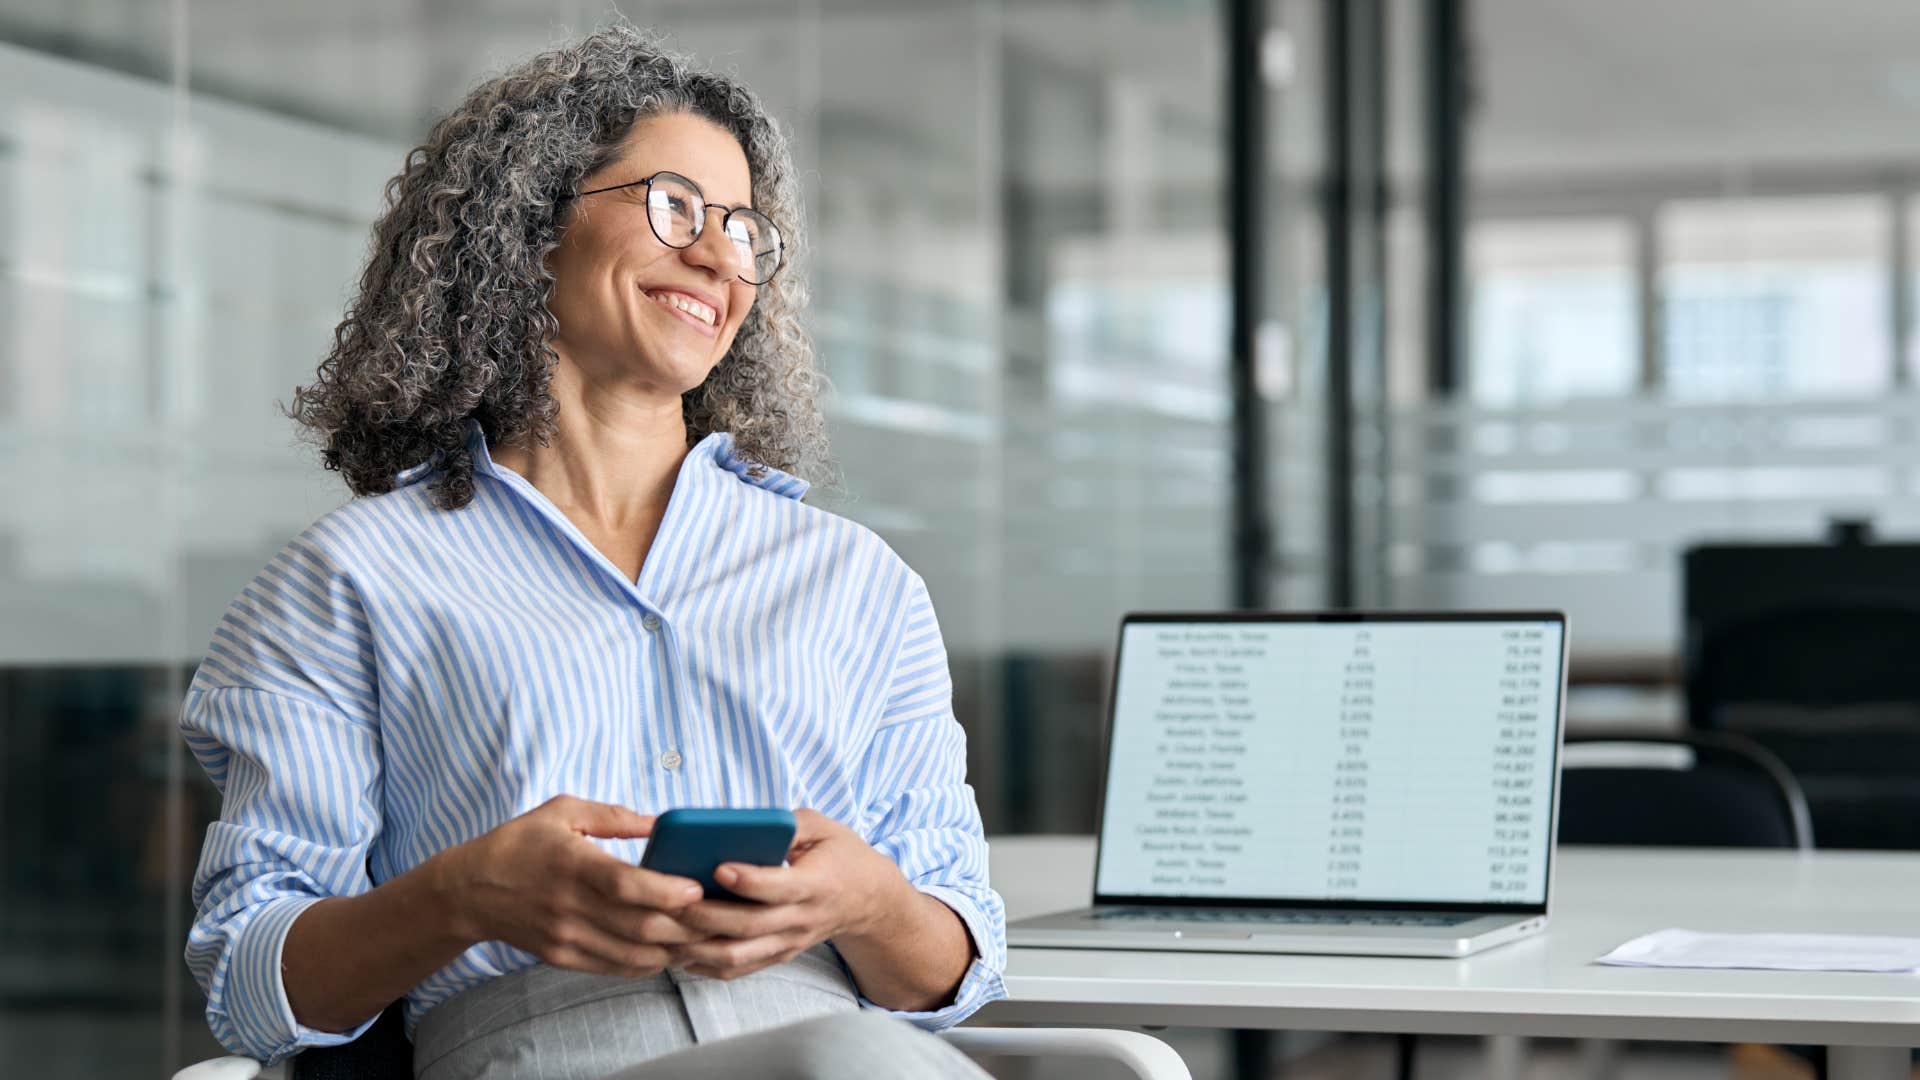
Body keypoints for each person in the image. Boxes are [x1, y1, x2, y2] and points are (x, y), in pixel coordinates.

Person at [181, 24, 1004, 1080]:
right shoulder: (348, 583)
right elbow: (251, 988)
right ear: (530, 228)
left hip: (841, 1045)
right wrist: (462, 897)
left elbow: (953, 970)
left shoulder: (858, 584)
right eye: (676, 207)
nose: (721, 256)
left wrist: (872, 904)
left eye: (743, 230)